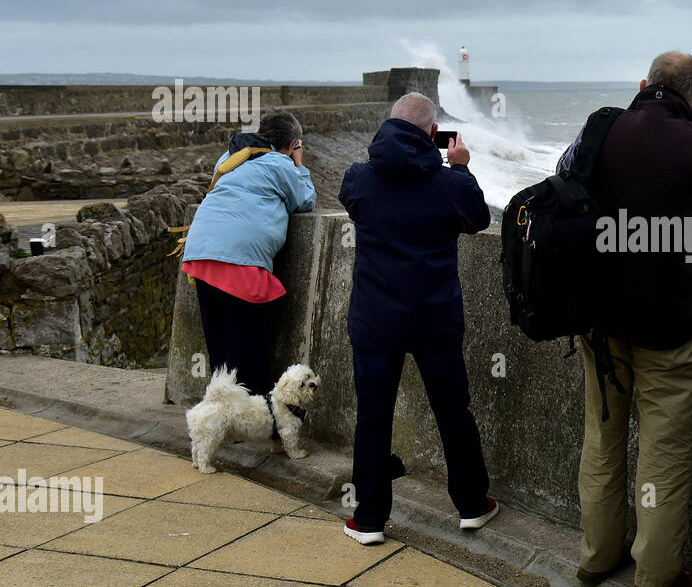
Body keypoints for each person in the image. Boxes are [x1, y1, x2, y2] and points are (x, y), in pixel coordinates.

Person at [555, 51, 692, 587]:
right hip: (666, 321)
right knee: (662, 450)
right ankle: (655, 578)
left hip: (600, 315)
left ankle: (597, 555)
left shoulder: (601, 125)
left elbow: (565, 175)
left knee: (602, 436)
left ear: (643, 85)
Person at [338, 93, 497, 544]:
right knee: (452, 413)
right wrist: (460, 165)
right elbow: (478, 219)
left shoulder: (359, 179)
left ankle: (368, 519)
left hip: (375, 321)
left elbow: (356, 197)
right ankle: (471, 505)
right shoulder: (450, 185)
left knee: (373, 417)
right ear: (434, 134)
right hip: (434, 320)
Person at [181, 110, 316, 398]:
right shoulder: (281, 164)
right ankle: (257, 418)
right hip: (240, 259)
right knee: (250, 346)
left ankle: (221, 418)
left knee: (220, 350)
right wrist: (298, 163)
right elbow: (306, 200)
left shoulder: (230, 157)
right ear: (292, 143)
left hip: (202, 253)